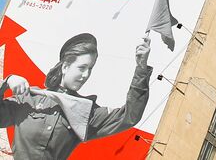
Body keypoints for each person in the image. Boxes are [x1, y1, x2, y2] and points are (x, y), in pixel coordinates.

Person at [0, 33, 153, 160]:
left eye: (90, 69)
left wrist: (141, 68)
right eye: (82, 68)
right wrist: (6, 82)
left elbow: (129, 116)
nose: (85, 75)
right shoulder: (29, 98)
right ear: (65, 66)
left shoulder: (87, 112)